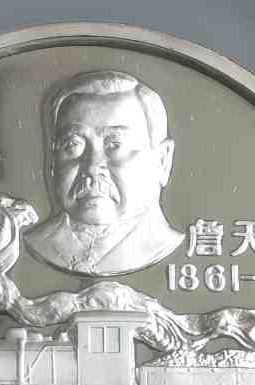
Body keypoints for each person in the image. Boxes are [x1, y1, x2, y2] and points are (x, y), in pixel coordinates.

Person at [22, 69, 186, 276]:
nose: (91, 167)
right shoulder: (28, 244)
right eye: (73, 144)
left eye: (115, 145)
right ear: (53, 160)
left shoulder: (165, 245)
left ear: (162, 161)